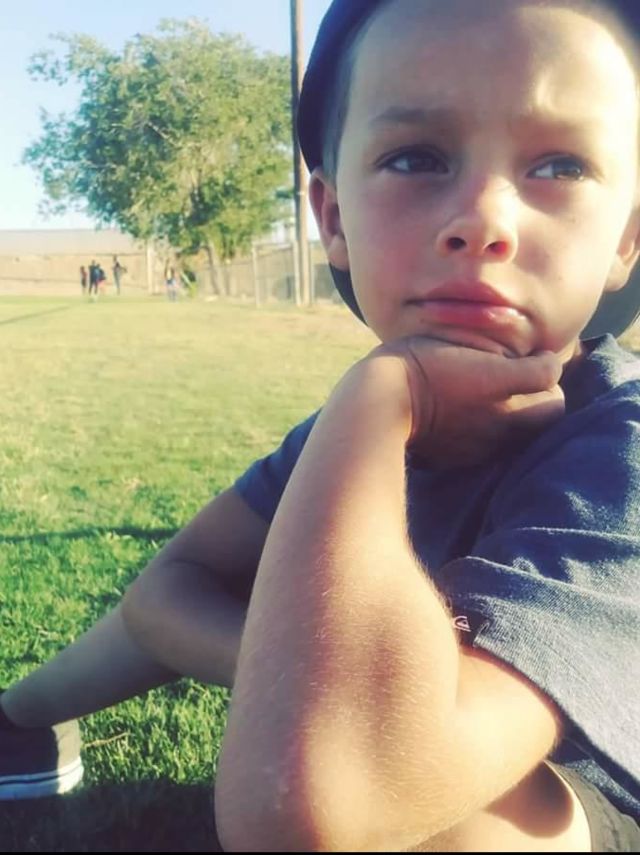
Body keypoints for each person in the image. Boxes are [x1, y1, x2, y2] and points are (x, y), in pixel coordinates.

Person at [1, 1, 640, 850]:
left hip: (591, 794)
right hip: (404, 726)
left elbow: (328, 800)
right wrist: (302, 670)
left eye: (560, 165)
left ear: (626, 236)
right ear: (333, 218)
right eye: (417, 158)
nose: (485, 220)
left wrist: (379, 395)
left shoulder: (622, 446)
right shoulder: (357, 430)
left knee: (434, 819)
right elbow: (164, 591)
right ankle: (19, 719)